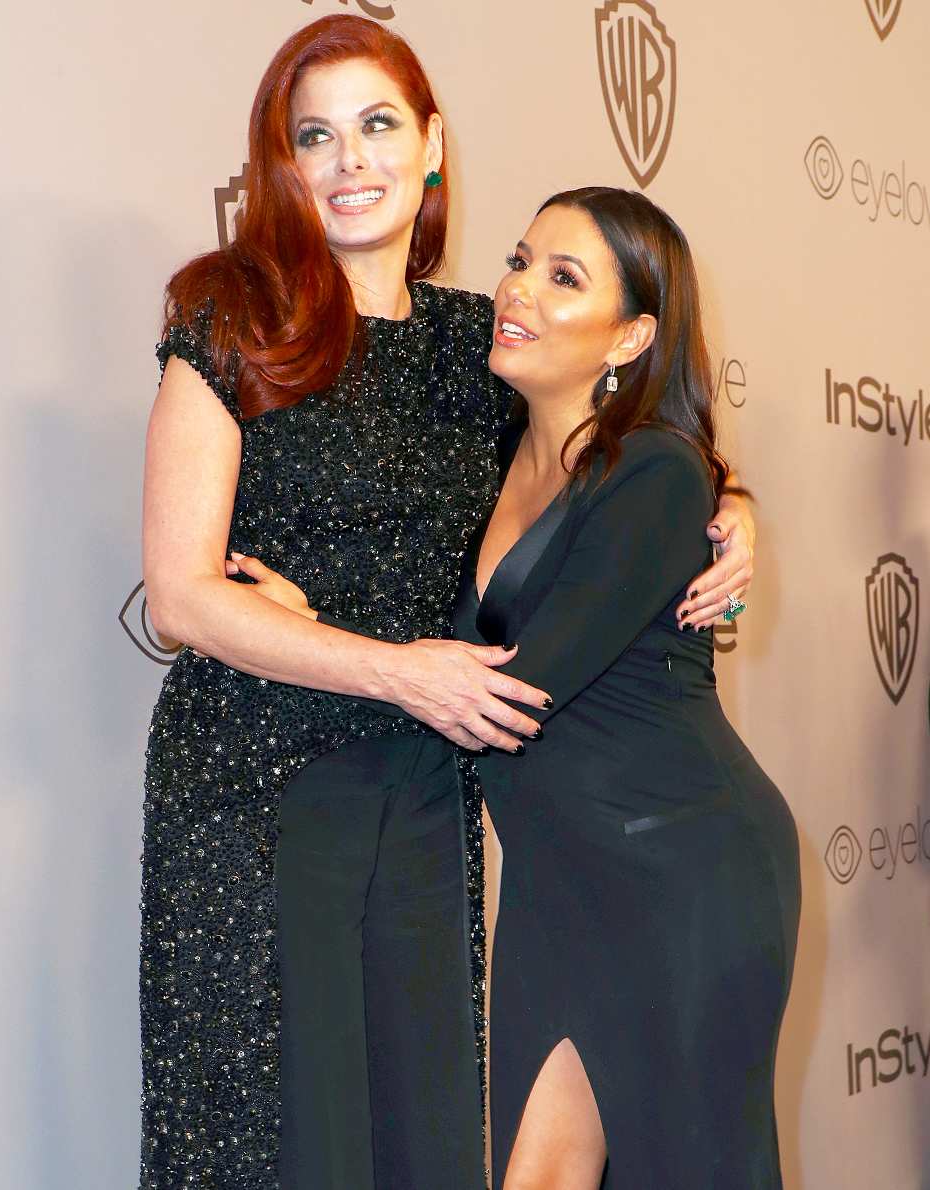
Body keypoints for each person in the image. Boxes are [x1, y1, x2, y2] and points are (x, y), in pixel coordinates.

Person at [140, 13, 757, 1189]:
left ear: (432, 146)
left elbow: (632, 448)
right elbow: (178, 592)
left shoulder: (481, 344)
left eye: (377, 126)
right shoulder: (232, 316)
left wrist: (737, 515)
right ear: (279, 163)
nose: (349, 160)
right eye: (312, 135)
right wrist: (391, 663)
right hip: (257, 791)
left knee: (420, 1134)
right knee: (276, 1143)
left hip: (423, 796)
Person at [450, 188, 800, 1188]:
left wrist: (321, 666)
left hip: (682, 874)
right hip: (560, 887)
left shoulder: (653, 472)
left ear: (633, 334)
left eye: (564, 278)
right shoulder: (490, 453)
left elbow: (516, 689)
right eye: (520, 260)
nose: (517, 289)